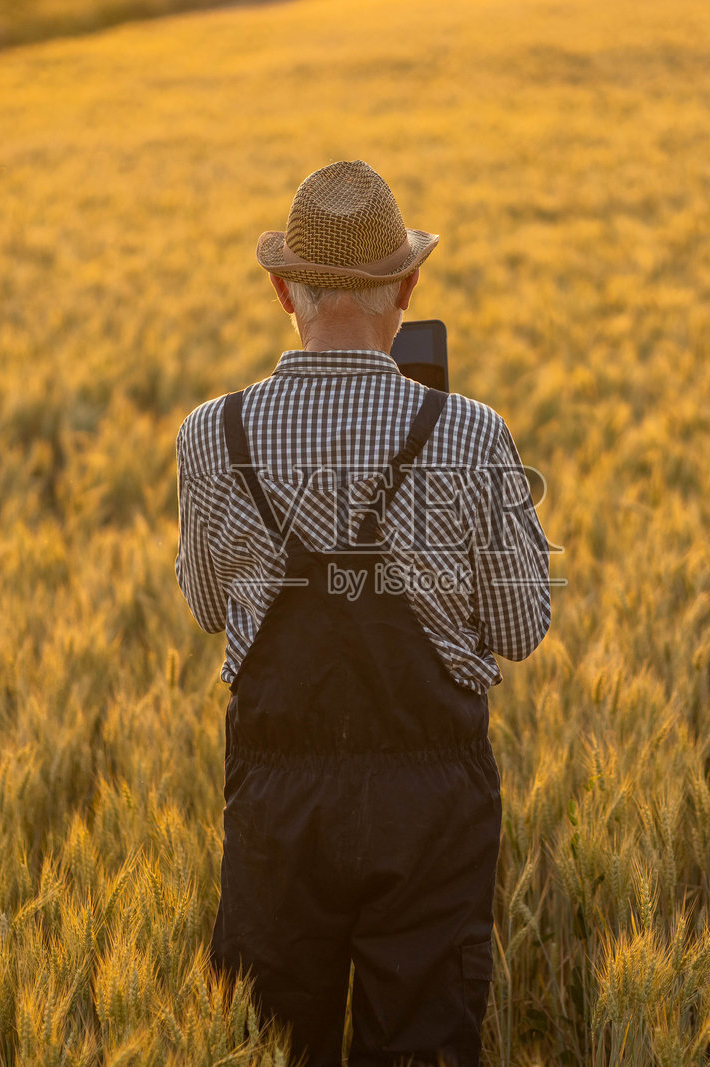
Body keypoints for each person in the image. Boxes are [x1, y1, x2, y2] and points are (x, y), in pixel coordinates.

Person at [174, 159, 551, 1066]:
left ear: (280, 291)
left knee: (268, 1045)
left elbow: (204, 605)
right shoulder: (470, 433)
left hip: (278, 799)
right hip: (431, 806)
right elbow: (520, 626)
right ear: (408, 287)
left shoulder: (210, 437)